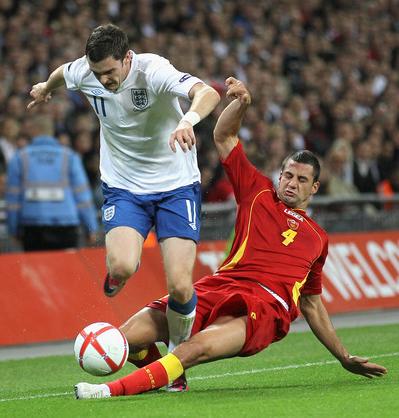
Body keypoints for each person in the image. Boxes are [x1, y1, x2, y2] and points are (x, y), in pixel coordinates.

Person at [74, 78, 387, 399]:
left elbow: (311, 303)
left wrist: (343, 356)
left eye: (301, 179)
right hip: (219, 286)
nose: (291, 183)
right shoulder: (259, 192)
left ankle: (108, 392)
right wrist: (241, 105)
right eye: (288, 175)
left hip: (266, 307)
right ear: (280, 175)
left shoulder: (318, 238)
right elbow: (223, 136)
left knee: (194, 348)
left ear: (314, 188)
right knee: (127, 339)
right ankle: (170, 378)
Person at [27, 24, 220, 361]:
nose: (103, 80)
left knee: (179, 285)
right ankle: (146, 353)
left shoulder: (154, 71)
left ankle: (176, 359)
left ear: (128, 58)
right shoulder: (86, 70)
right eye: (98, 73)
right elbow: (64, 72)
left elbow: (208, 94)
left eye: (110, 72)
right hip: (124, 187)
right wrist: (46, 87)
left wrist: (187, 120)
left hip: (175, 186)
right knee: (122, 267)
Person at [6, 115, 99, 251]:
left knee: (35, 270)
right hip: (66, 225)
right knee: (65, 270)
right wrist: (91, 227)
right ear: (51, 131)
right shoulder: (69, 157)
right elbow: (82, 197)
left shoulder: (20, 157)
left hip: (32, 226)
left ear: (33, 131)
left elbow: (13, 199)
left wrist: (13, 229)